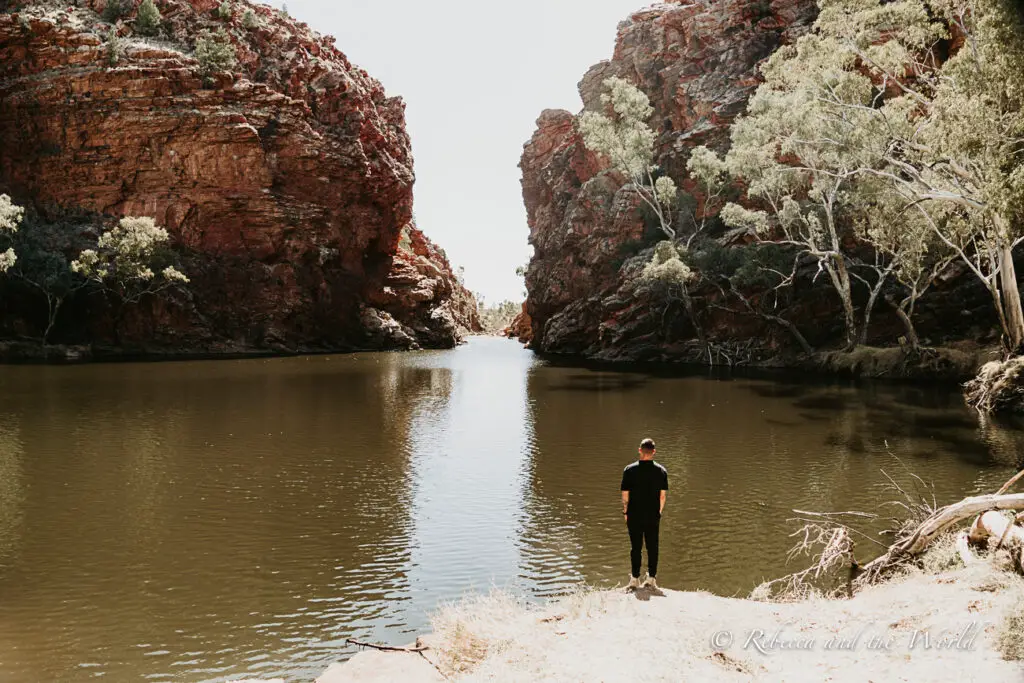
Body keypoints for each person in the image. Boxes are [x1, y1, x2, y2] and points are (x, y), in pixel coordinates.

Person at [620, 438, 668, 589]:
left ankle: (635, 579)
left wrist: (625, 511)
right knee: (653, 546)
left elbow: (625, 495)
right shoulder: (661, 471)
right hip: (653, 514)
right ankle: (652, 578)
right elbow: (662, 496)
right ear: (654, 452)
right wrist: (658, 511)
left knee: (636, 547)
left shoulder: (629, 470)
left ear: (639, 450)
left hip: (634, 514)